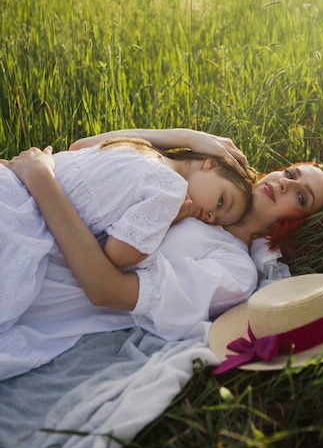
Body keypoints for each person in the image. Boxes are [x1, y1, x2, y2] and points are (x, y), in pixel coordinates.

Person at [0, 129, 323, 379]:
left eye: (301, 198)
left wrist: (40, 178)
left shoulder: (235, 271)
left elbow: (104, 290)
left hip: (28, 277)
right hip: (20, 210)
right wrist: (186, 138)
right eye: (290, 173)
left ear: (293, 225)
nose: (287, 183)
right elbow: (86, 149)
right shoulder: (204, 186)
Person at [0, 136, 253, 332]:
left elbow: (78, 147)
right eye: (221, 202)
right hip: (22, 222)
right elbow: (117, 254)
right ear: (210, 164)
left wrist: (184, 137)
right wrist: (171, 217)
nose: (209, 216)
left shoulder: (139, 148)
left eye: (216, 221)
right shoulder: (172, 192)